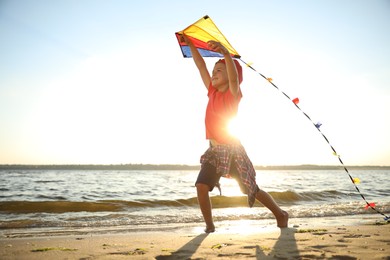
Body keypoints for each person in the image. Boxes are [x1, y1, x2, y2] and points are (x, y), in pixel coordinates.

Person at [181, 34, 288, 233]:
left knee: (250, 189)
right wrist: (191, 45)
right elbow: (201, 67)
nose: (214, 73)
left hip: (233, 151)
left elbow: (233, 79)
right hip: (214, 151)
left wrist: (225, 55)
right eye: (215, 70)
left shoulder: (233, 94)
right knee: (201, 185)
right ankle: (210, 225)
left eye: (219, 70)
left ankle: (280, 213)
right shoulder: (211, 92)